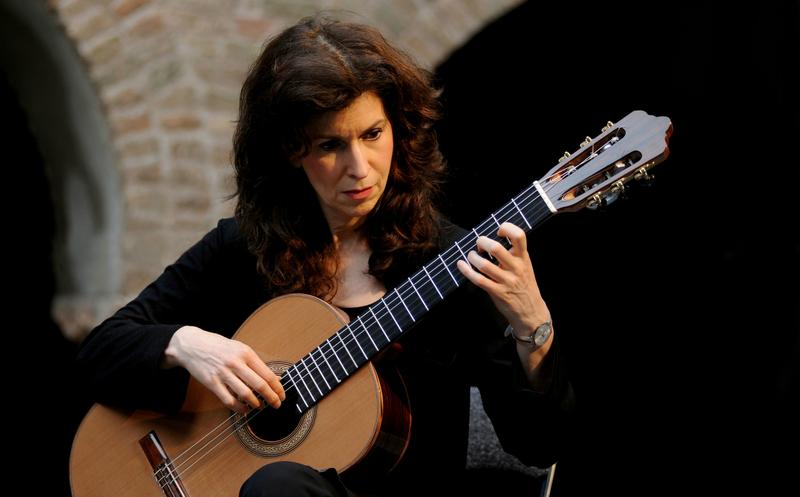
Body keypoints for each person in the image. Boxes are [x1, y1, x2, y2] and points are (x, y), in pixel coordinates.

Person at [76, 14, 574, 497]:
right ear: (292, 151)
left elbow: (537, 445)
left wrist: (534, 325)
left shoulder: (451, 260)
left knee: (279, 483)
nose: (360, 167)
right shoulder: (243, 248)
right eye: (331, 144)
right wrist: (185, 344)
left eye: (373, 134)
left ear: (398, 129)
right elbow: (100, 354)